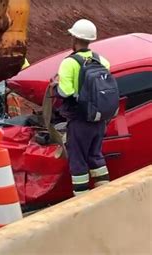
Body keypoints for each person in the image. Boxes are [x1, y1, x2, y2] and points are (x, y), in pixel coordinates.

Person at [55, 19, 111, 196]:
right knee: (96, 156)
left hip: (79, 120)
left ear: (74, 38)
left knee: (78, 160)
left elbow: (65, 92)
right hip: (99, 118)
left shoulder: (69, 63)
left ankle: (82, 201)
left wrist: (55, 86)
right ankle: (105, 195)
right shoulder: (102, 60)